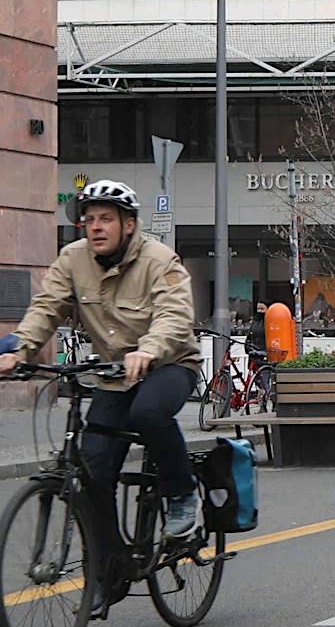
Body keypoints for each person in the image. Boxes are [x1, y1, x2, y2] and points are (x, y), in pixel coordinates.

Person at [0, 180, 204, 542]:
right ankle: (108, 568)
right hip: (113, 374)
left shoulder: (159, 260)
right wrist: (19, 349)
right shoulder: (73, 258)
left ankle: (181, 493)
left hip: (169, 364)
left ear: (128, 224)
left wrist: (148, 349)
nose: (95, 227)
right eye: (90, 219)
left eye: (106, 218)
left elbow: (174, 316)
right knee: (94, 468)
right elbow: (47, 308)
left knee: (147, 413)